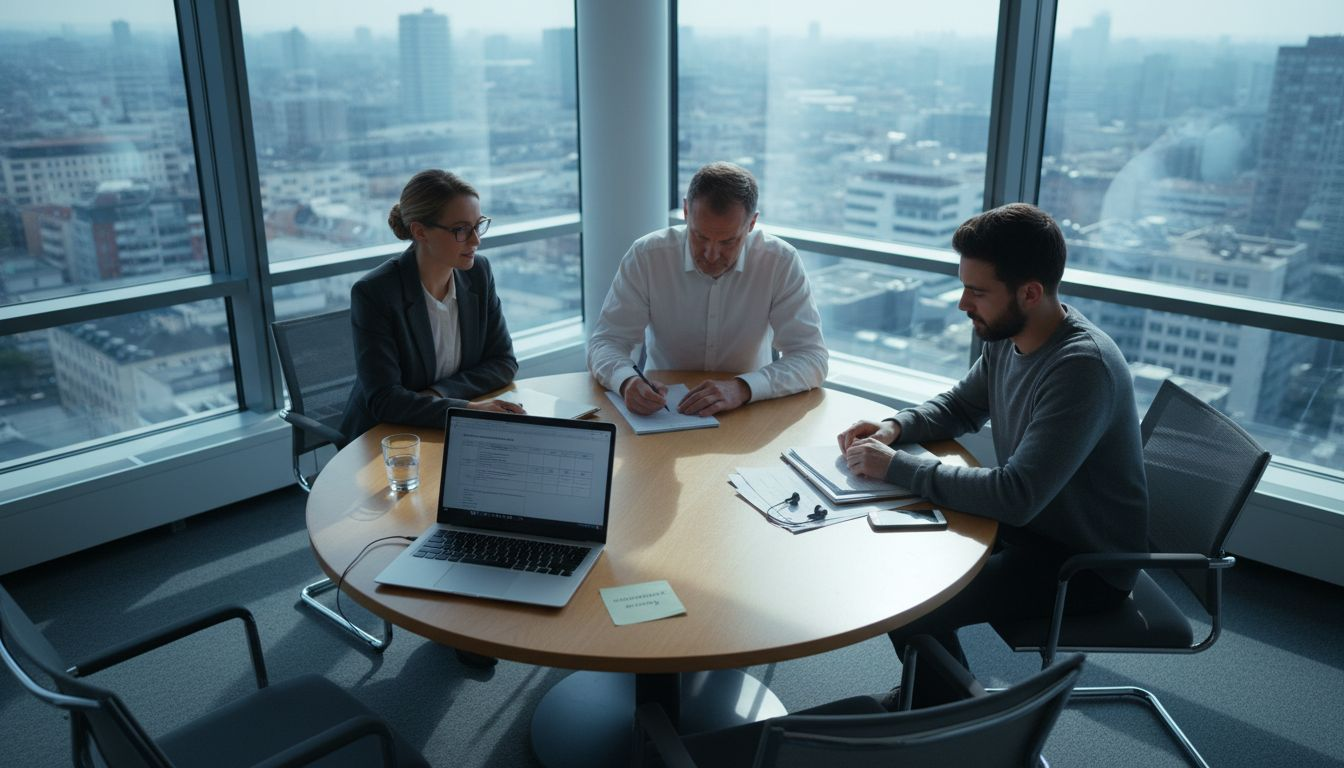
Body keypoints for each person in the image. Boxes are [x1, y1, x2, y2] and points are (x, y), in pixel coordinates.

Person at [836, 203, 1149, 707]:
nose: (963, 304)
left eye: (977, 292)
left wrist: (895, 465)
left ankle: (954, 713)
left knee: (910, 600)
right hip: (1031, 529)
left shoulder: (1081, 368)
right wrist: (896, 426)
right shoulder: (1009, 334)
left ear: (1030, 292)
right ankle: (946, 699)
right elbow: (962, 404)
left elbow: (1016, 495)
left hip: (1080, 562)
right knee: (895, 550)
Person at [587, 161, 828, 416]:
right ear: (686, 211)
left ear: (752, 224)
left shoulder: (779, 261)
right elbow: (607, 341)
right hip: (664, 411)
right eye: (700, 236)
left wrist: (742, 388)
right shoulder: (647, 255)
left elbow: (811, 358)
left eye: (728, 241)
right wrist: (626, 381)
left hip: (748, 411)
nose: (711, 255)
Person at [341, 169, 524, 444]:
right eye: (461, 229)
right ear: (420, 231)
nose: (476, 240)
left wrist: (440, 394)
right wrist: (467, 409)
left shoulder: (478, 274)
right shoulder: (376, 293)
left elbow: (503, 362)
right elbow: (384, 400)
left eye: (478, 225)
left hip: (447, 430)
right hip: (385, 439)